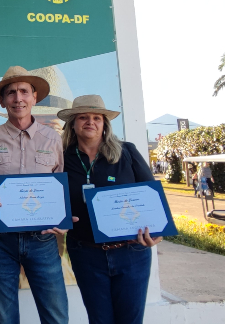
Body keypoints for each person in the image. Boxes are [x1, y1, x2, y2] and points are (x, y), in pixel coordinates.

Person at [0, 66, 72, 324]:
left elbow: (61, 188)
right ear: (3, 101)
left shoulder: (53, 139)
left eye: (24, 92)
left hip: (43, 242)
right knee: (5, 318)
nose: (18, 98)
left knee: (56, 316)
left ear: (34, 97)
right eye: (11, 93)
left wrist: (62, 219)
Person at [57, 95, 160, 324]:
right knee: (99, 320)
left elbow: (152, 196)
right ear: (73, 123)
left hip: (131, 252)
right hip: (86, 253)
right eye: (83, 117)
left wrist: (157, 231)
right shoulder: (62, 158)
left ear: (105, 124)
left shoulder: (126, 152)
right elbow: (54, 198)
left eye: (97, 118)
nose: (90, 122)